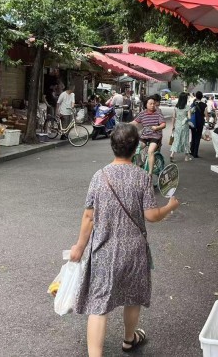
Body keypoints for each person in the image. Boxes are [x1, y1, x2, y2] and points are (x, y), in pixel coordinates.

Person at [70, 123, 179, 357]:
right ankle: (129, 340)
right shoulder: (142, 177)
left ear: (112, 146)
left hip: (103, 250)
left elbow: (89, 216)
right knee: (133, 296)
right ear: (136, 147)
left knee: (98, 305)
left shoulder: (99, 177)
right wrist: (170, 206)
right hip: (134, 252)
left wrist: (79, 247)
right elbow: (152, 216)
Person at [131, 97, 166, 176]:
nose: (152, 105)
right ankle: (139, 162)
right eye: (150, 104)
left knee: (150, 151)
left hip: (155, 136)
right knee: (135, 148)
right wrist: (125, 125)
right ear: (146, 105)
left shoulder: (158, 113)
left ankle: (150, 173)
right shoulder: (142, 114)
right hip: (145, 136)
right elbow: (135, 122)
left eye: (153, 104)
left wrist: (157, 127)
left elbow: (163, 124)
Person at [169, 92, 192, 162]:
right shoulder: (187, 107)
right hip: (184, 126)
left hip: (177, 125)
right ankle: (186, 157)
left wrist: (173, 126)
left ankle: (172, 154)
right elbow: (189, 117)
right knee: (185, 140)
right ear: (185, 99)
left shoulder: (176, 107)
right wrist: (185, 118)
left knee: (176, 139)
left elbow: (173, 117)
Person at [189, 91, 209, 158]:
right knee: (198, 137)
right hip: (200, 123)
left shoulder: (192, 104)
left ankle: (191, 150)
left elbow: (190, 113)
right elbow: (206, 115)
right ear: (202, 97)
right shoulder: (204, 105)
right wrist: (207, 123)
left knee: (193, 136)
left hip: (193, 123)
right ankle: (195, 153)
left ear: (196, 96)